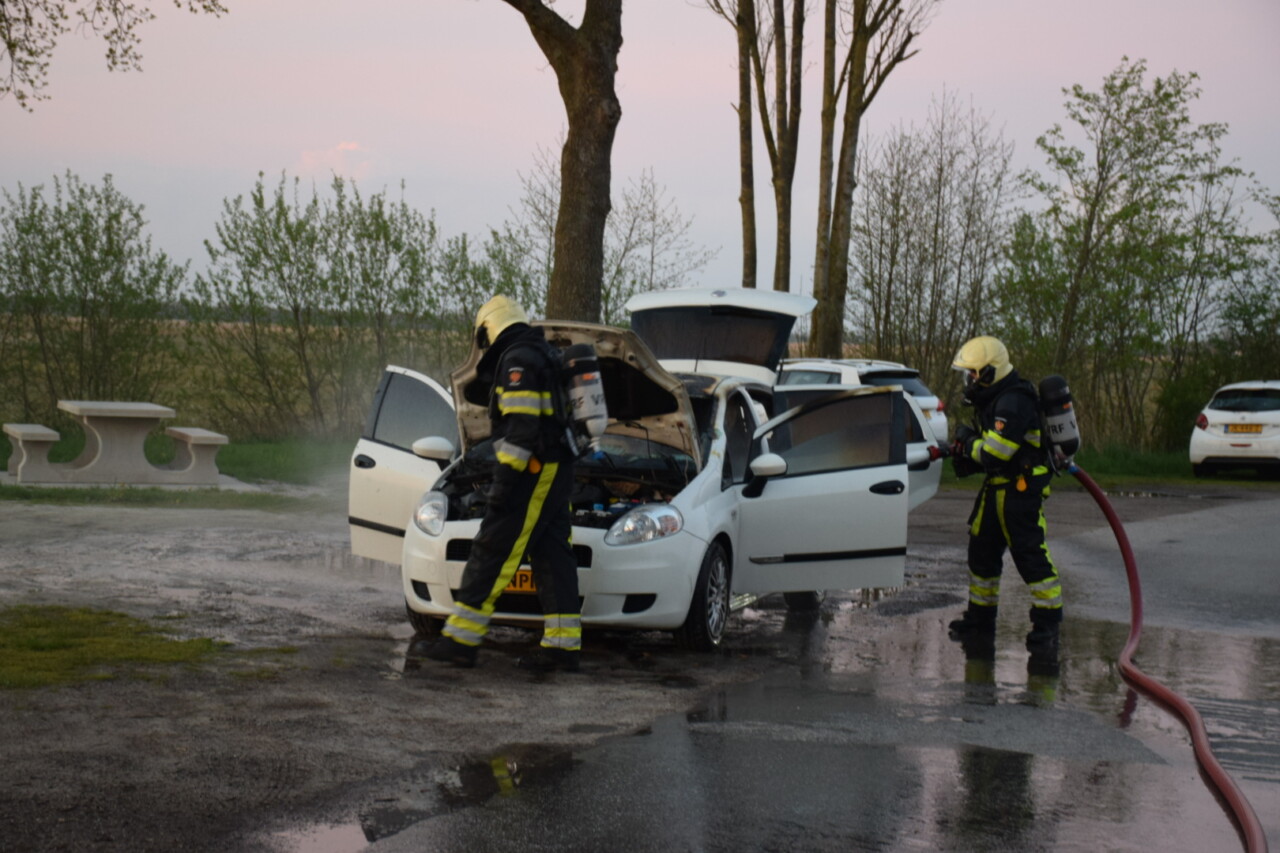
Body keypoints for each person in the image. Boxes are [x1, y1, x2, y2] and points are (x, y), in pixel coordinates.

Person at [425, 295, 582, 672]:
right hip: (557, 467)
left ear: (488, 331)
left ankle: (461, 641)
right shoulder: (541, 353)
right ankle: (563, 647)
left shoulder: (516, 360)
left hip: (532, 470)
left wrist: (504, 487)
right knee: (551, 551)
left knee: (493, 547)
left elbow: (522, 430)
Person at [946, 336, 1064, 657]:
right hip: (999, 486)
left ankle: (1047, 626)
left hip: (1021, 489)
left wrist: (968, 441)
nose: (968, 381)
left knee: (1030, 556)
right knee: (981, 552)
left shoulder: (1013, 401)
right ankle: (980, 620)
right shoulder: (996, 398)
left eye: (972, 374)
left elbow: (996, 453)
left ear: (989, 372)